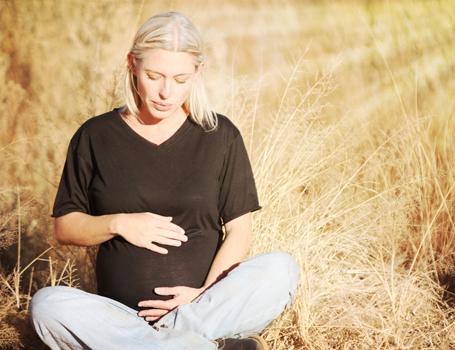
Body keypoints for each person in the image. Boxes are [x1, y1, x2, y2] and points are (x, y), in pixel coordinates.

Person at [29, 11, 300, 350]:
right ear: (132, 64)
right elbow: (65, 227)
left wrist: (202, 295)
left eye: (180, 78)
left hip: (203, 307)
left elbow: (239, 231)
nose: (166, 92)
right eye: (154, 76)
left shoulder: (220, 135)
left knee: (281, 269)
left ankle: (176, 337)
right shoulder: (95, 136)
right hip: (122, 318)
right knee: (47, 306)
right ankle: (201, 345)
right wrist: (120, 223)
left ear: (198, 72)